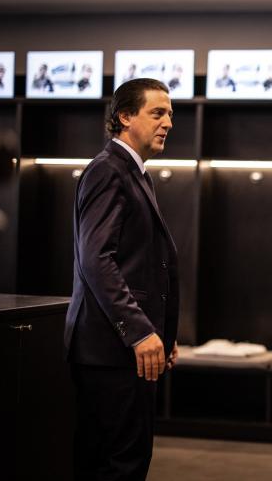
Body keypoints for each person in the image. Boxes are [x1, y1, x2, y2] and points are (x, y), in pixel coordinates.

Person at [64, 78, 180, 480]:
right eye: (157, 112)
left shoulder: (135, 173)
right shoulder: (108, 171)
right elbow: (97, 260)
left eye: (170, 114)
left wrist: (161, 330)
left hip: (123, 348)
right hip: (110, 351)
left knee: (117, 461)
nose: (168, 122)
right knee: (118, 466)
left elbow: (138, 264)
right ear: (124, 116)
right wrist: (139, 332)